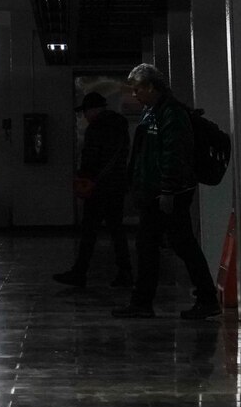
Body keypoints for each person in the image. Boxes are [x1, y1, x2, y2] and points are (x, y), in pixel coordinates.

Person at [112, 63, 221, 320]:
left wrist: (168, 192)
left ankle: (202, 299)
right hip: (158, 193)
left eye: (138, 89)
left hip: (167, 194)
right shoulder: (154, 112)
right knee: (160, 245)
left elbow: (174, 154)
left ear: (151, 87)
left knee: (175, 245)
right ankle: (148, 302)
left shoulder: (171, 114)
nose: (135, 94)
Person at [53, 91, 133, 287]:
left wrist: (84, 177)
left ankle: (79, 273)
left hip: (98, 187)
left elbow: (91, 157)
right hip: (116, 186)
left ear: (93, 110)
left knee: (89, 231)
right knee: (116, 230)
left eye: (85, 112)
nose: (84, 116)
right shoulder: (121, 125)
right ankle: (125, 272)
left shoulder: (96, 128)